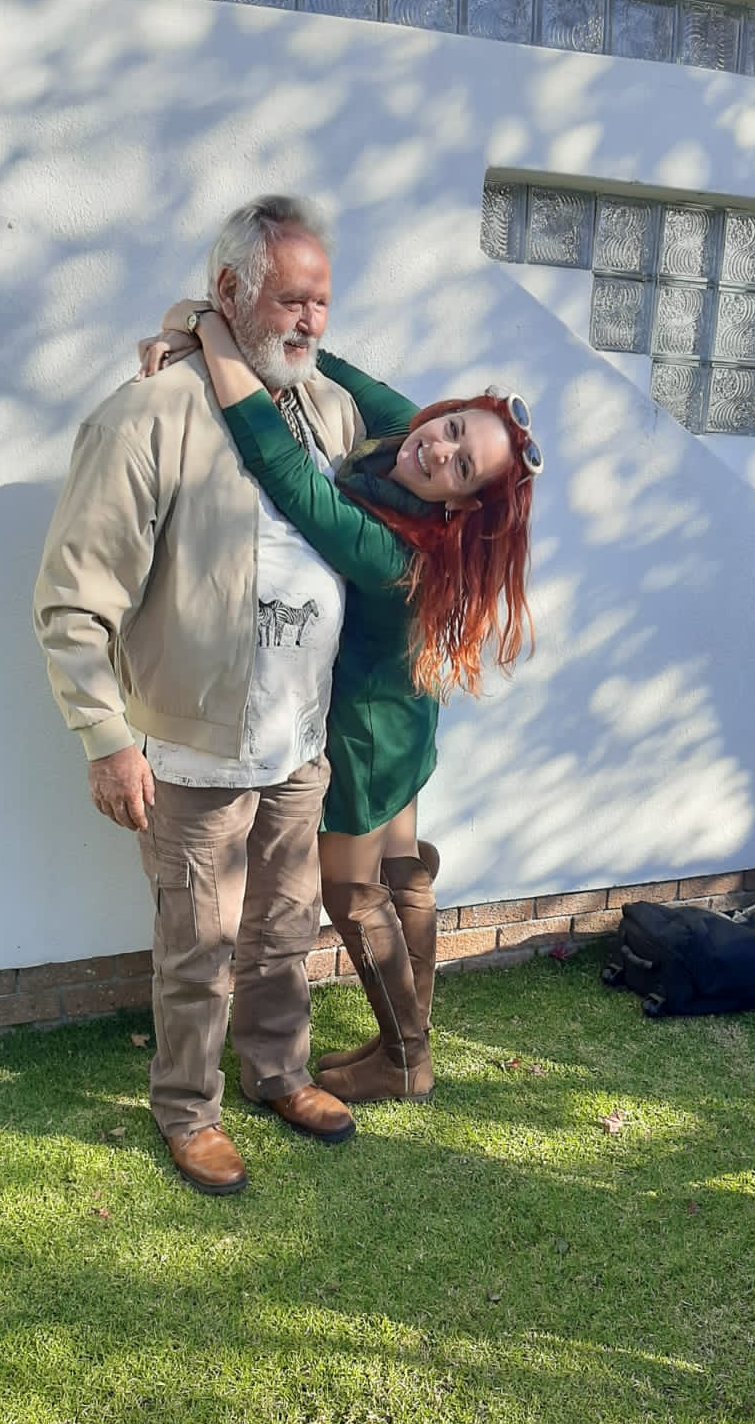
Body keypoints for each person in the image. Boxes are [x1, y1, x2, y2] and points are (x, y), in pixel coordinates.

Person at [34, 195, 376, 1200]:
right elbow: (74, 595)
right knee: (199, 945)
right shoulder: (148, 414)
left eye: (321, 300)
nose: (310, 320)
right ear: (230, 290)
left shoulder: (329, 408)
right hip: (194, 751)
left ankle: (279, 1072)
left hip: (298, 739)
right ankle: (188, 1109)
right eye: (290, 298)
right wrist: (104, 737)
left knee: (284, 929)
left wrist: (195, 317)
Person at [138, 297, 541, 1109]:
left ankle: (405, 1056)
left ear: (465, 504)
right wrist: (201, 314)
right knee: (402, 871)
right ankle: (410, 1037)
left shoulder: (393, 552)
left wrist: (210, 333)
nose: (439, 449)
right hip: (407, 713)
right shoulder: (404, 432)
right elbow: (319, 364)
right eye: (452, 427)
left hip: (364, 731)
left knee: (351, 892)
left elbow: (282, 467)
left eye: (462, 466)